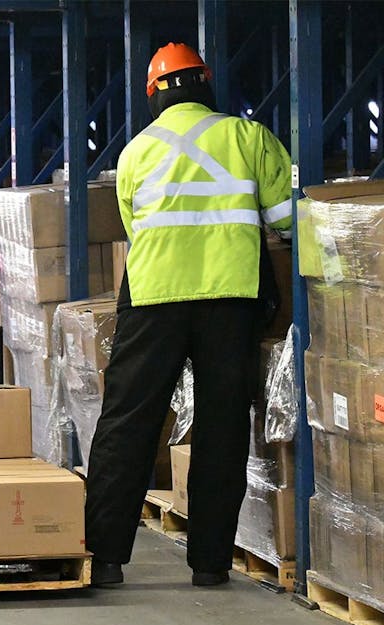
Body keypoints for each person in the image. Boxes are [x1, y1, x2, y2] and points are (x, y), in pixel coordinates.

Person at [84, 42, 292, 587]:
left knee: (129, 421)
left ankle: (105, 558)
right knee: (223, 425)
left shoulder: (135, 152)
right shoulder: (247, 138)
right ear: (205, 83)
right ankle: (210, 564)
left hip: (154, 299)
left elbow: (134, 227)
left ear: (153, 95)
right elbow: (287, 221)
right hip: (230, 298)